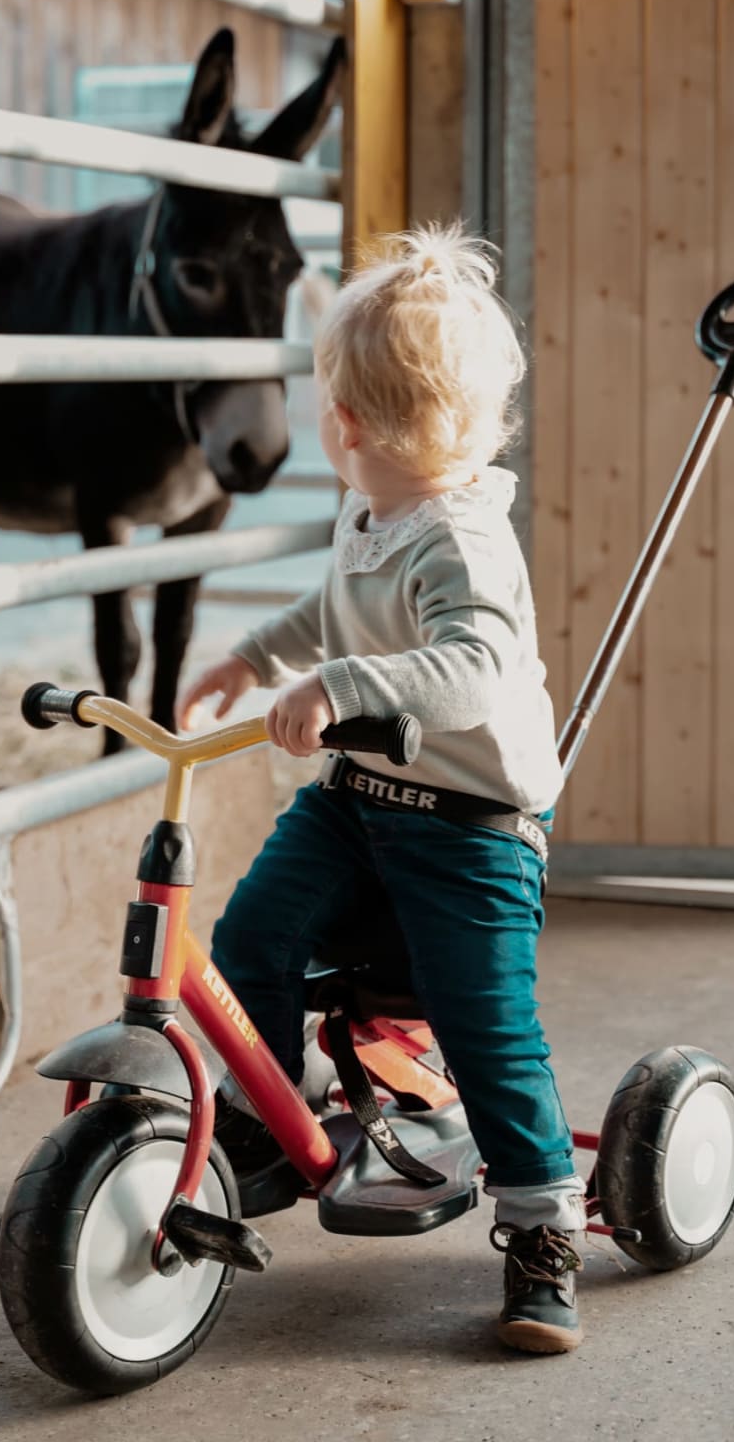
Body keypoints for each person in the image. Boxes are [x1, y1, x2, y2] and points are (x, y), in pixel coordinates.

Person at [179, 224, 586, 1356]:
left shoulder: (462, 543)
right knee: (251, 935)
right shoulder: (370, 513)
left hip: (470, 828)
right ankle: (270, 1112)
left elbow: (471, 668)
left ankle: (542, 1225)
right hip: (361, 796)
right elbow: (333, 610)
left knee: (482, 1021)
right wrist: (251, 657)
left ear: (347, 421)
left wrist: (338, 684)